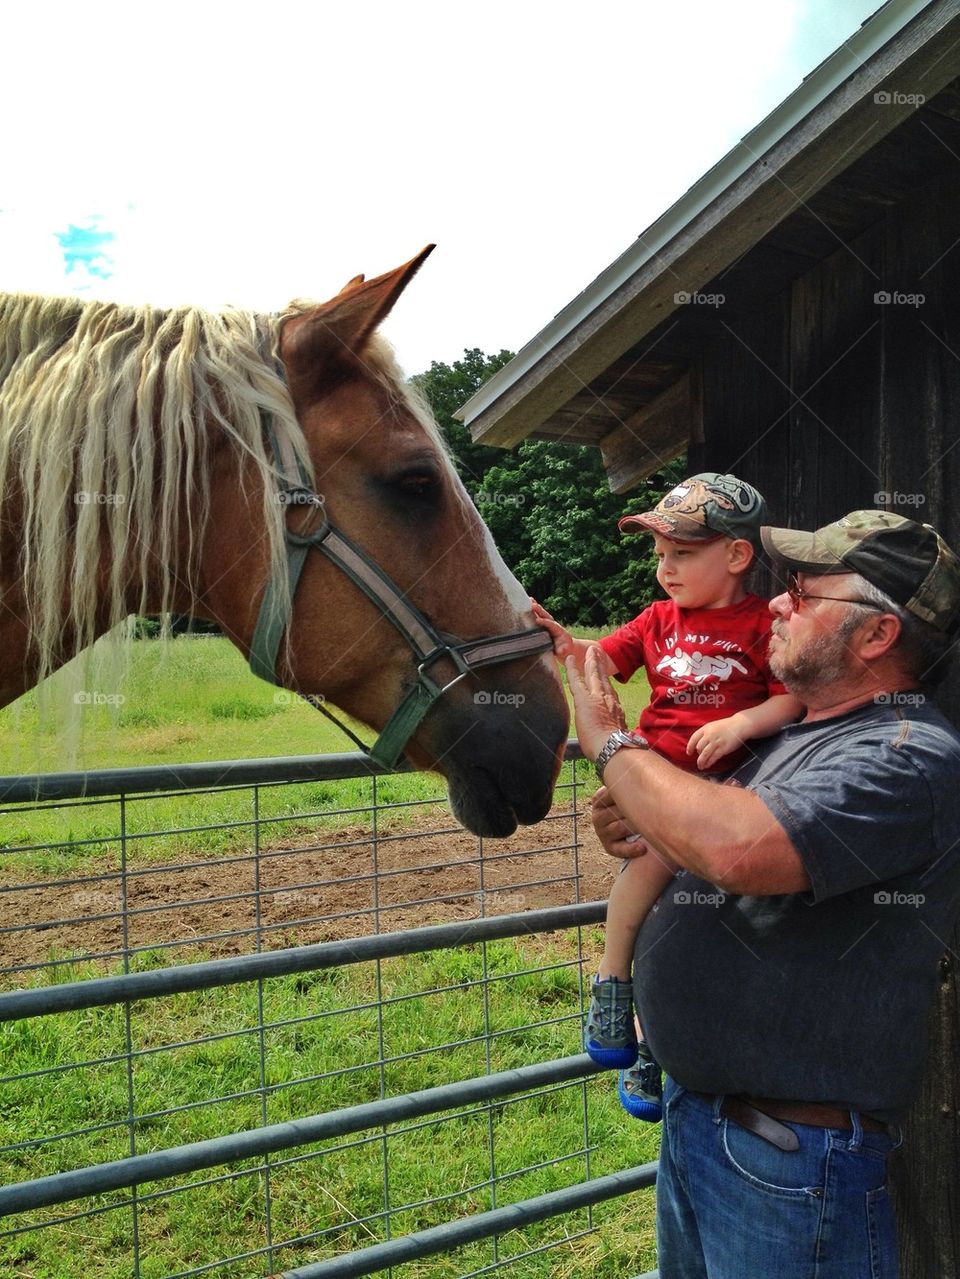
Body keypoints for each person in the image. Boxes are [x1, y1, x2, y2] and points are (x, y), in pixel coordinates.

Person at [565, 507, 960, 1279]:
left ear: (877, 635)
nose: (777, 601)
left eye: (807, 593)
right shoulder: (795, 736)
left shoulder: (908, 754)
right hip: (705, 1128)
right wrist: (645, 816)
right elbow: (706, 831)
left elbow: (738, 848)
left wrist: (611, 744)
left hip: (789, 1165)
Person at [533, 472, 802, 1120]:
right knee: (646, 904)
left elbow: (789, 696)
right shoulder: (658, 620)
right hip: (659, 791)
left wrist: (741, 723)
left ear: (736, 556)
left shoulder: (762, 623)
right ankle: (612, 981)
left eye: (681, 553)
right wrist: (564, 644)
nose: (664, 568)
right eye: (659, 554)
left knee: (686, 936)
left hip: (727, 798)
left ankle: (658, 1045)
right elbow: (600, 658)